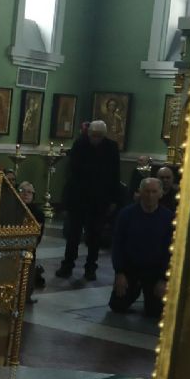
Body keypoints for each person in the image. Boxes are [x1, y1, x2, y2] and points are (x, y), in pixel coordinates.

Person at [56, 119, 119, 280]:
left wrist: (113, 199)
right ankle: (67, 265)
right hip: (79, 197)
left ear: (104, 135)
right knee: (73, 234)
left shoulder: (111, 147)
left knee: (95, 235)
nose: (95, 139)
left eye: (99, 136)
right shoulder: (80, 144)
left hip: (100, 199)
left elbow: (115, 174)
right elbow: (72, 173)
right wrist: (67, 200)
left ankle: (91, 267)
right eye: (93, 135)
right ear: (89, 133)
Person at [110, 177, 174, 318]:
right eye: (146, 191)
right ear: (140, 192)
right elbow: (117, 245)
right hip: (130, 269)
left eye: (154, 192)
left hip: (155, 271)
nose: (150, 195)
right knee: (117, 305)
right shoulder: (126, 214)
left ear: (160, 194)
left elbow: (170, 251)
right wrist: (119, 273)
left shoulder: (168, 218)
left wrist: (164, 279)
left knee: (156, 312)